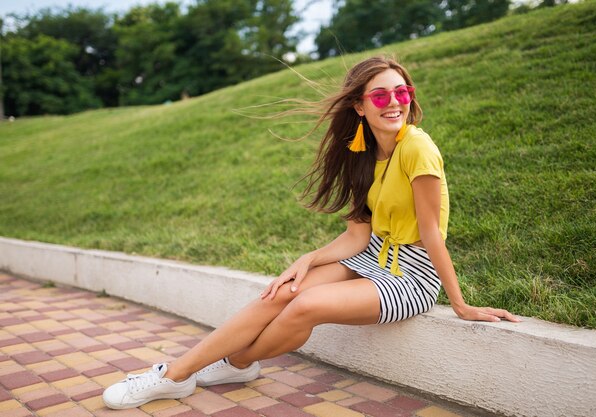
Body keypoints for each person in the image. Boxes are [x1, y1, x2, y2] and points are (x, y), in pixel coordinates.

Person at [102, 55, 521, 409]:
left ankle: (232, 363)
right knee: (282, 291)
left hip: (411, 276)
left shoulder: (418, 148)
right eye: (380, 95)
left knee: (305, 305)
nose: (394, 102)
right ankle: (174, 375)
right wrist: (307, 260)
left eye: (402, 92)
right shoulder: (364, 152)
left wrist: (460, 304)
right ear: (360, 106)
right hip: (371, 256)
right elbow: (358, 236)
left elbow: (431, 233)